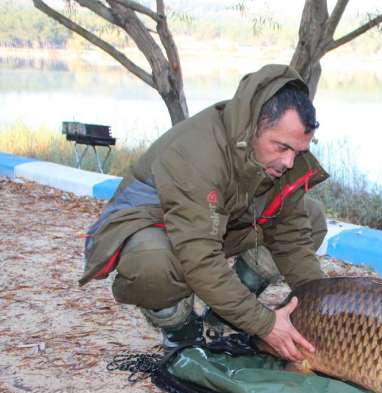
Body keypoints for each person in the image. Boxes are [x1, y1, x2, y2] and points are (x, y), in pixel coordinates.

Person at [79, 64, 328, 361]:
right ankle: (182, 332)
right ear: (254, 127)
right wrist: (264, 323)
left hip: (213, 223)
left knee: (310, 217)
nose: (289, 162)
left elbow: (293, 242)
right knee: (152, 264)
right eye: (281, 147)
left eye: (298, 151)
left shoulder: (280, 160)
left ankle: (223, 318)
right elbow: (200, 258)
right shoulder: (198, 152)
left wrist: (326, 308)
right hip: (154, 227)